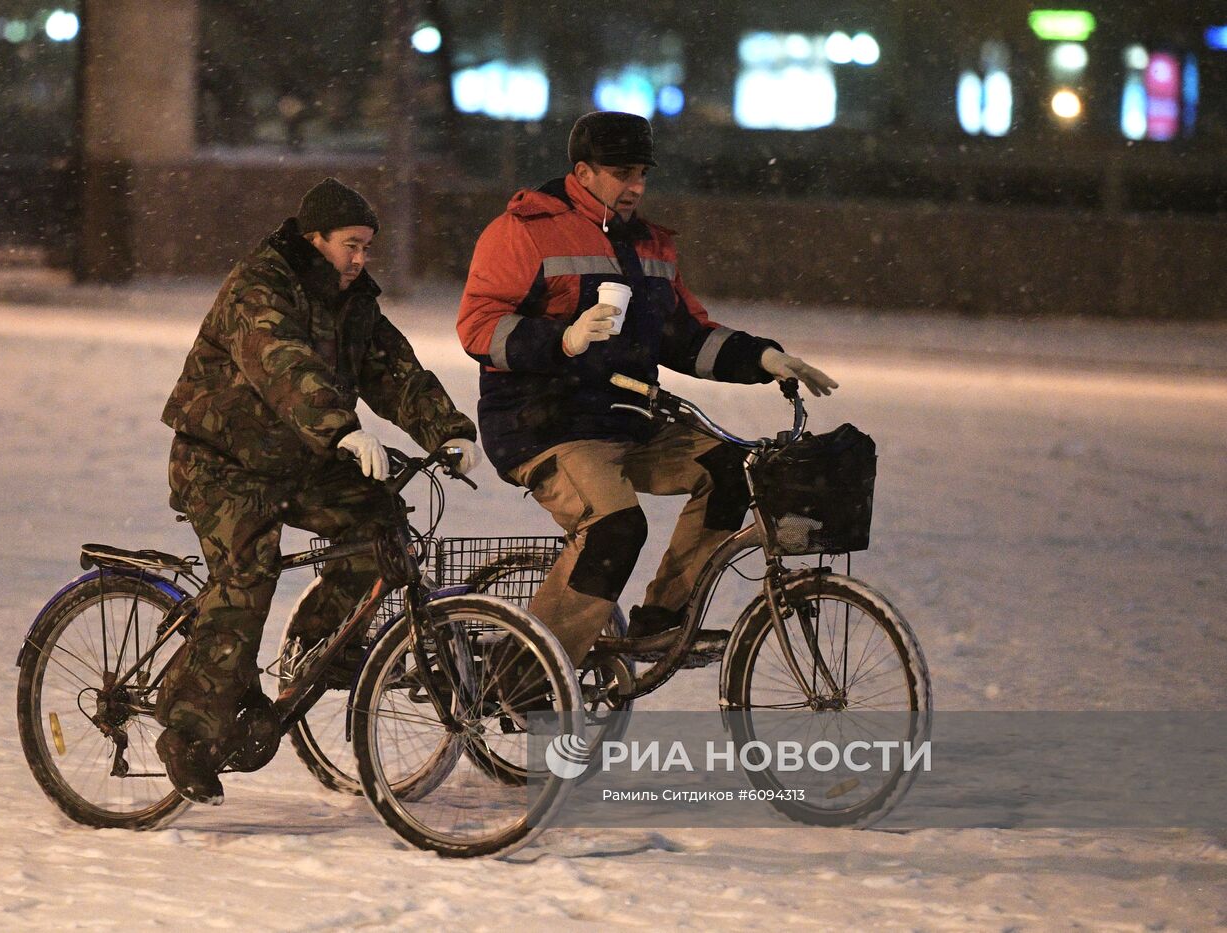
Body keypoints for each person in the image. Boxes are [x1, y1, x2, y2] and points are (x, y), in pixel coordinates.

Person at [456, 111, 836, 668]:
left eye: (641, 173)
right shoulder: (523, 230)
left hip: (629, 422)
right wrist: (563, 339)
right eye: (621, 173)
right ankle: (527, 673)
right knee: (615, 526)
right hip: (544, 425)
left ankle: (663, 621)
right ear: (582, 172)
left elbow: (685, 337)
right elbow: (478, 327)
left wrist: (762, 357)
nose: (635, 185)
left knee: (733, 472)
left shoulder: (652, 246)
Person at [156, 177, 481, 804]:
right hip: (221, 461)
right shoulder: (260, 286)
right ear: (315, 240)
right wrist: (342, 429)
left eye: (367, 248)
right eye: (351, 246)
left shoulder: (351, 298)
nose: (360, 260)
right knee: (246, 578)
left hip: (296, 459)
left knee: (378, 521)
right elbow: (282, 365)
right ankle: (187, 734)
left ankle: (319, 649)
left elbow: (394, 370)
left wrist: (448, 430)